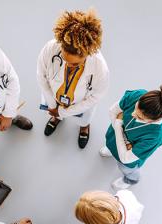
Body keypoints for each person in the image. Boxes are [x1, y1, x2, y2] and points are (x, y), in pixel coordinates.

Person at [37, 9, 109, 148]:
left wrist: (65, 111)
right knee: (55, 112)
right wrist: (53, 106)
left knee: (83, 119)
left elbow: (95, 97)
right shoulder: (50, 48)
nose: (69, 65)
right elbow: (41, 76)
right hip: (54, 97)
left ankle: (84, 127)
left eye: (75, 63)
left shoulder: (100, 68)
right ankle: (56, 118)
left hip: (81, 103)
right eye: (64, 58)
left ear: (87, 53)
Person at [100, 84, 162, 190]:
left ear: (154, 120)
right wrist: (126, 144)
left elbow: (126, 159)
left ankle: (130, 180)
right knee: (113, 146)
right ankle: (113, 150)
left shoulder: (155, 136)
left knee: (127, 169)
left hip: (129, 161)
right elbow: (112, 111)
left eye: (140, 116)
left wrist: (118, 125)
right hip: (117, 142)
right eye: (136, 107)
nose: (133, 114)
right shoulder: (137, 95)